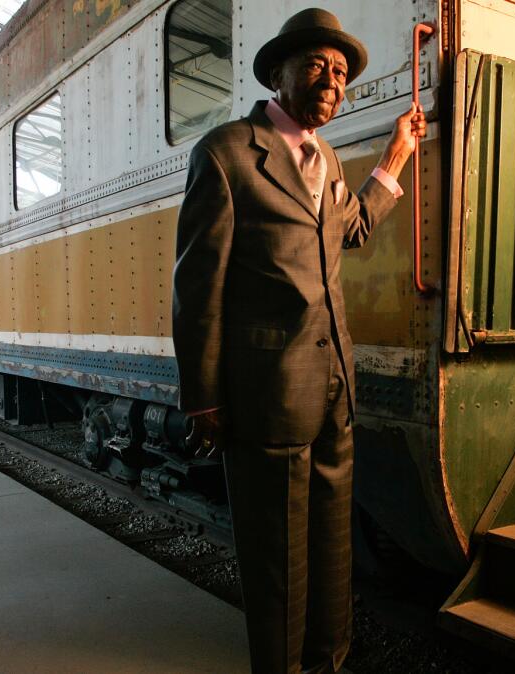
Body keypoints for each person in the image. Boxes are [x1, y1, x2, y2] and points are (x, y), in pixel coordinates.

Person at [171, 8, 426, 673]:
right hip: (265, 390)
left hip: (334, 384)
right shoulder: (227, 153)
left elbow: (347, 230)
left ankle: (329, 661)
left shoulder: (328, 157)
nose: (332, 81)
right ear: (276, 71)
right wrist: (201, 396)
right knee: (277, 558)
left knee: (332, 545)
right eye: (317, 65)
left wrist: (397, 156)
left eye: (340, 72)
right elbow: (197, 288)